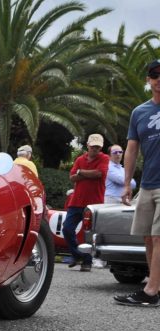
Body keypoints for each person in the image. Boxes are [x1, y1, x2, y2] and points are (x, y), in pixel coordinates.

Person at [114, 59, 160, 306]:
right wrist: (126, 183)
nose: (159, 79)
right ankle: (156, 285)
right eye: (155, 74)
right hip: (148, 184)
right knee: (146, 236)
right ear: (148, 80)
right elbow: (131, 150)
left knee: (158, 236)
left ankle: (150, 291)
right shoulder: (139, 112)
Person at [63, 133, 109, 272]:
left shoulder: (104, 158)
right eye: (93, 146)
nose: (95, 149)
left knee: (87, 234)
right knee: (67, 229)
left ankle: (87, 262)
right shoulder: (79, 159)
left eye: (98, 147)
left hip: (94, 204)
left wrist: (81, 172)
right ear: (88, 145)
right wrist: (84, 174)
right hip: (76, 201)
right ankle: (78, 255)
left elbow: (99, 174)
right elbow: (72, 177)